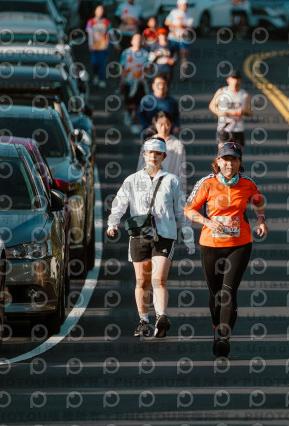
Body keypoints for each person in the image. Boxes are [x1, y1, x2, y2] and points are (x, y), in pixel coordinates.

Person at [184, 142, 268, 358]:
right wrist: (207, 222)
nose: (230, 164)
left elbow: (258, 202)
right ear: (218, 162)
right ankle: (217, 326)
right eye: (226, 159)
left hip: (239, 245)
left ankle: (223, 337)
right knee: (216, 295)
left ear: (240, 162)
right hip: (211, 245)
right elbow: (189, 210)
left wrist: (261, 220)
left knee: (228, 292)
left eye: (234, 160)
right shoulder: (206, 183)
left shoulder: (248, 183)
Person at [107, 138, 195, 338]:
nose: (153, 157)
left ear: (164, 156)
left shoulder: (172, 180)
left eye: (158, 154)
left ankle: (161, 317)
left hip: (165, 234)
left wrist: (188, 236)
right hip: (139, 234)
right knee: (142, 281)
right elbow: (120, 203)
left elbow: (182, 210)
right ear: (144, 155)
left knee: (159, 279)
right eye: (150, 153)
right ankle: (143, 320)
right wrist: (113, 223)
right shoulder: (132, 180)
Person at [137, 111, 187, 195]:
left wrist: (182, 193)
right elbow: (140, 166)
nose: (163, 128)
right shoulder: (148, 144)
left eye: (167, 124)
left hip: (170, 189)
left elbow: (182, 170)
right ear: (155, 124)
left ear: (171, 124)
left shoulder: (177, 145)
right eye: (160, 124)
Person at [209, 70, 253, 146]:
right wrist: (219, 112)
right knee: (223, 152)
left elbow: (250, 112)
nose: (235, 81)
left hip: (238, 129)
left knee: (238, 153)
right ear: (228, 79)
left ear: (240, 80)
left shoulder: (244, 95)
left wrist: (243, 111)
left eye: (237, 78)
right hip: (224, 128)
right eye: (233, 78)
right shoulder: (221, 92)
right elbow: (212, 106)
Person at [119, 33, 149, 135]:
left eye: (140, 39)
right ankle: (128, 113)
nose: (138, 41)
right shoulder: (126, 53)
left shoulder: (145, 54)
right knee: (130, 104)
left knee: (137, 105)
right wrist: (122, 79)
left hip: (139, 83)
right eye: (136, 39)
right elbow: (122, 66)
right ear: (132, 41)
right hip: (128, 82)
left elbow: (148, 67)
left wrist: (144, 77)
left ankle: (135, 123)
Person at [165, 0, 194, 82]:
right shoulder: (174, 12)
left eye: (186, 5)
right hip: (173, 38)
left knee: (184, 56)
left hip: (184, 39)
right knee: (171, 55)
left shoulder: (189, 14)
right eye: (183, 5)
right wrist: (174, 25)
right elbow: (166, 22)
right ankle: (168, 73)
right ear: (179, 5)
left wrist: (183, 25)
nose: (185, 6)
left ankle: (183, 75)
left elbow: (191, 26)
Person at [86, 4, 112, 89]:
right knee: (94, 63)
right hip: (94, 46)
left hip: (103, 46)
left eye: (102, 10)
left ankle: (102, 79)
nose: (100, 12)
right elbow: (90, 34)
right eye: (98, 10)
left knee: (102, 64)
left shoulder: (107, 22)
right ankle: (96, 76)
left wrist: (116, 45)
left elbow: (110, 33)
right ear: (95, 11)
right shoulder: (91, 21)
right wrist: (90, 44)